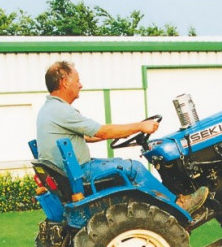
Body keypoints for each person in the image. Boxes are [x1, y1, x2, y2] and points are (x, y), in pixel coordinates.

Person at [36, 60, 208, 214]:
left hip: (71, 175)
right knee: (135, 168)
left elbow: (88, 136)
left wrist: (124, 132)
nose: (81, 85)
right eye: (77, 80)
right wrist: (140, 126)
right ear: (65, 82)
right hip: (81, 174)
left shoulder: (49, 110)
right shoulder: (61, 111)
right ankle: (178, 204)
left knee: (122, 164)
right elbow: (103, 131)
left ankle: (160, 205)